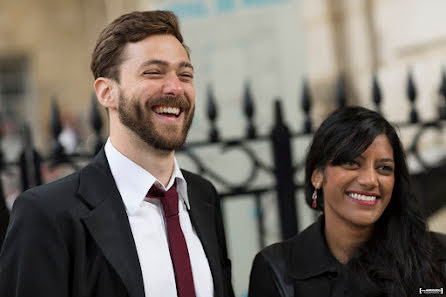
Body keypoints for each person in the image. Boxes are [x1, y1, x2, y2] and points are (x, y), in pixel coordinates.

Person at [0, 10, 234, 297]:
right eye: (153, 72)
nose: (175, 87)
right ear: (106, 92)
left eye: (185, 75)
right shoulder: (47, 215)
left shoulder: (202, 197)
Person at [248, 106, 446, 297]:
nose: (370, 180)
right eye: (352, 163)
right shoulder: (276, 269)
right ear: (317, 175)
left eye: (384, 168)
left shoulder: (438, 256)